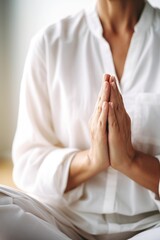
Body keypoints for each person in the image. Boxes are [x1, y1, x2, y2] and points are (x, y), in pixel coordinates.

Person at [0, 0, 160, 239]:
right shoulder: (49, 43)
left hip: (151, 225)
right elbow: (28, 164)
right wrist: (92, 160)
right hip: (63, 224)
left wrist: (131, 160)